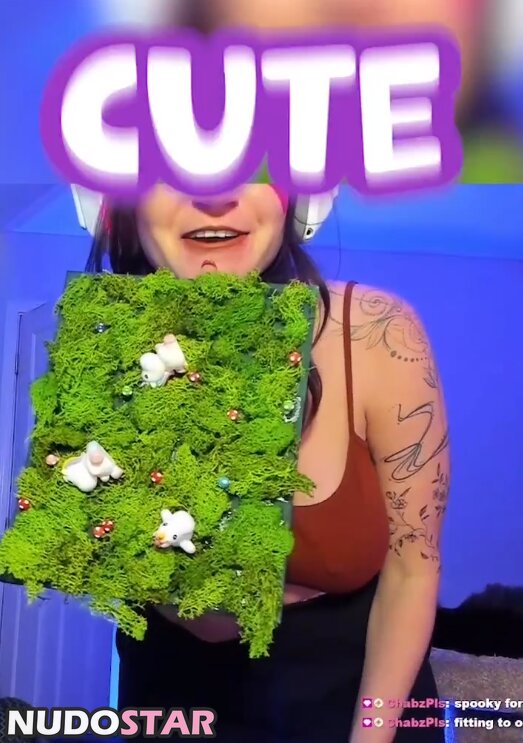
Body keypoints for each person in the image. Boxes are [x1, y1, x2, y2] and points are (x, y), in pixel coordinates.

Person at [87, 182, 450, 743]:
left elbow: (414, 570)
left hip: (352, 710)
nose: (214, 195)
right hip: (168, 703)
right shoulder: (104, 344)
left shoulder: (377, 333)